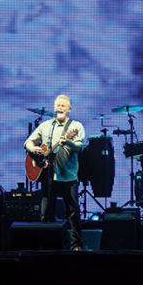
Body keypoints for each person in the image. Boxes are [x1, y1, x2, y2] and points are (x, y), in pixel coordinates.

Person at [24, 94, 86, 251]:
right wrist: (33, 148)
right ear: (53, 107)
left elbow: (79, 147)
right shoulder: (45, 126)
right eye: (58, 105)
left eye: (63, 105)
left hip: (68, 176)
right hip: (47, 175)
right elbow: (28, 142)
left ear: (69, 109)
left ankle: (76, 246)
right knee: (46, 212)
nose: (60, 107)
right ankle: (46, 245)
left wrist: (69, 141)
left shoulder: (76, 126)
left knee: (72, 212)